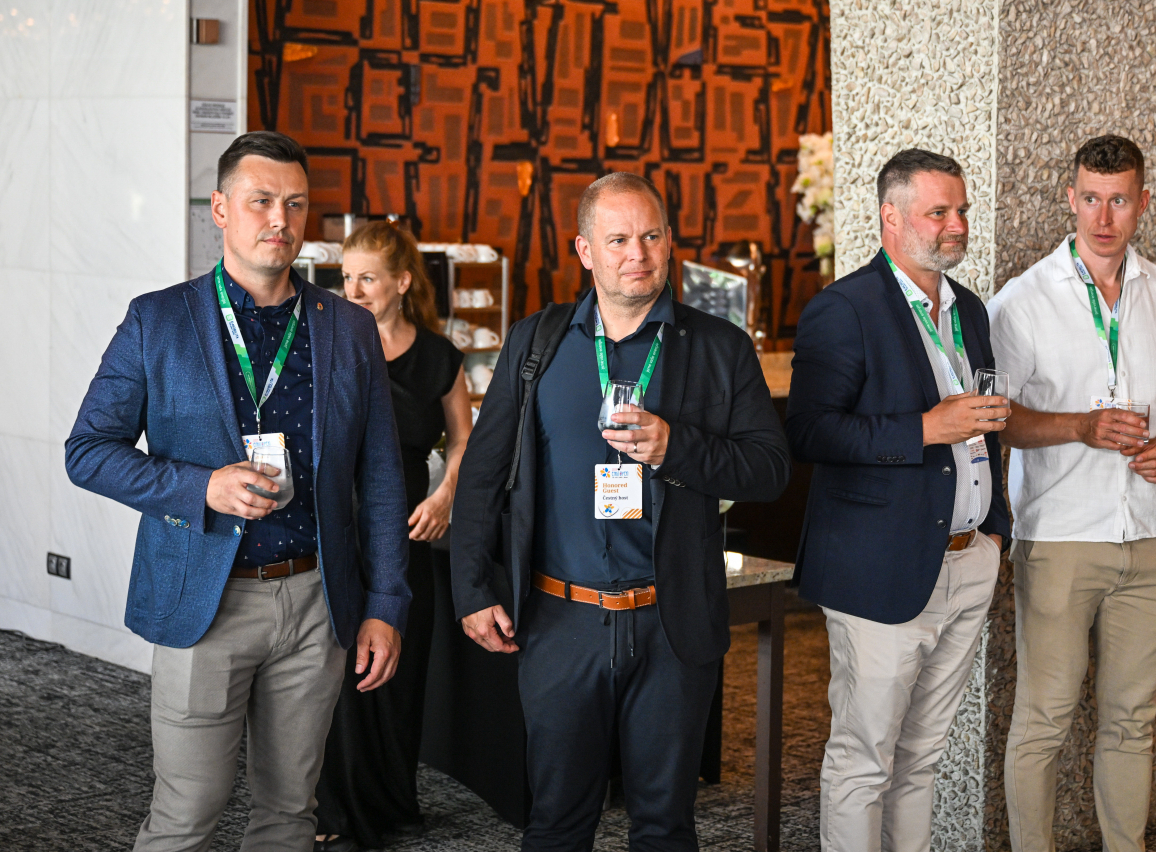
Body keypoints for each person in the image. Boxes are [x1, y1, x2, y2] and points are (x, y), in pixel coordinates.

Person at [64, 131, 411, 851]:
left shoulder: (348, 328)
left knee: (290, 813)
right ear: (221, 209)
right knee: (187, 814)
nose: (280, 219)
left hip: (317, 602)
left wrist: (386, 604)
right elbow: (88, 452)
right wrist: (203, 487)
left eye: (296, 203)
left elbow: (380, 477)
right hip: (207, 600)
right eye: (261, 201)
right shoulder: (159, 319)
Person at [450, 172, 790, 851]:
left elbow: (770, 469)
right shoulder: (536, 344)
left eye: (652, 236)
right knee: (556, 823)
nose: (638, 253)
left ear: (669, 242)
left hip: (672, 623)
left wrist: (675, 448)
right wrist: (472, 590)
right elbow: (482, 476)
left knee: (665, 826)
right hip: (560, 622)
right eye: (618, 240)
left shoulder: (718, 347)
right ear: (584, 251)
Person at [988, 135, 1156, 852]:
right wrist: (1080, 426)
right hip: (1061, 537)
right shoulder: (1021, 302)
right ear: (1071, 199)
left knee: (1132, 722)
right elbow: (1000, 419)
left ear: (1142, 203)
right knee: (1044, 721)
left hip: (1152, 536)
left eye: (1118, 200)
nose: (1103, 217)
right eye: (1090, 199)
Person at [787, 148, 1012, 852]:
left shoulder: (968, 309)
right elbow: (809, 430)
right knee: (865, 760)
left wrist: (995, 531)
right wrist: (924, 429)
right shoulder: (844, 308)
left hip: (968, 560)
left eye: (961, 210)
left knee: (923, 758)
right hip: (878, 568)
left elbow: (983, 429)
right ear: (891, 217)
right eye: (938, 212)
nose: (956, 225)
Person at [313, 221, 471, 851]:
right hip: (337, 525)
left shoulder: (439, 357)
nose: (352, 291)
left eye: (367, 279)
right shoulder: (328, 344)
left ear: (402, 283)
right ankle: (334, 809)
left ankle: (393, 803)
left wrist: (445, 496)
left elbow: (462, 440)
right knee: (337, 673)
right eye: (346, 278)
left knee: (400, 674)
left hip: (406, 527)